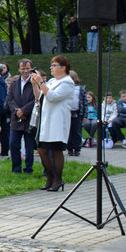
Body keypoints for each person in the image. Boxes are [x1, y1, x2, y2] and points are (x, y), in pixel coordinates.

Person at [31, 55, 75, 192]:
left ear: (63, 67)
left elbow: (53, 97)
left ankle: (58, 179)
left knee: (56, 150)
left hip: (57, 121)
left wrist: (41, 82)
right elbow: (39, 96)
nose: (51, 68)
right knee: (42, 149)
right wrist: (35, 84)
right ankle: (50, 177)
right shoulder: (51, 81)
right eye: (51, 66)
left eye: (54, 65)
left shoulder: (67, 82)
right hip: (45, 120)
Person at [7, 59, 36, 173]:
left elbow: (36, 99)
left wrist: (24, 111)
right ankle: (16, 168)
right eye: (23, 69)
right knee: (13, 144)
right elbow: (10, 99)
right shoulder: (14, 83)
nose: (25, 71)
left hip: (29, 118)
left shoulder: (34, 82)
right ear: (19, 69)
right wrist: (17, 111)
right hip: (16, 119)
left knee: (29, 146)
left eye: (28, 68)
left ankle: (28, 168)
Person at [66, 71, 86, 156]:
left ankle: (77, 148)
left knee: (77, 132)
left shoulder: (80, 89)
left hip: (77, 113)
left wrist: (85, 115)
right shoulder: (65, 88)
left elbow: (84, 102)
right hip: (67, 113)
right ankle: (69, 148)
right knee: (68, 132)